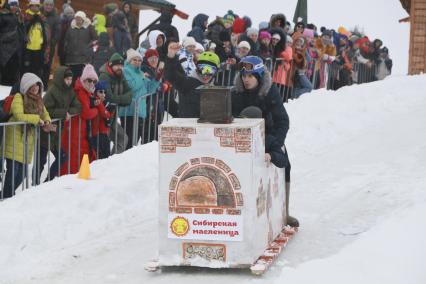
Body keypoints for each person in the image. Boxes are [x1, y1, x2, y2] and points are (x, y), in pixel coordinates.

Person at [231, 56, 298, 227]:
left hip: (269, 137)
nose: (246, 79)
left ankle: (285, 212)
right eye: (244, 76)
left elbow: (283, 121)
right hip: (241, 137)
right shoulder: (236, 93)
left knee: (285, 165)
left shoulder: (270, 92)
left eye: (250, 76)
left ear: (259, 77)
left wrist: (276, 144)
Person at [0, 73, 51, 199]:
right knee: (13, 172)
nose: (35, 88)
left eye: (37, 85)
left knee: (22, 174)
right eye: (32, 85)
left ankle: (6, 195)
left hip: (27, 140)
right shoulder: (19, 97)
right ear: (26, 86)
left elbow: (45, 114)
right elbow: (19, 115)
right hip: (14, 138)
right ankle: (7, 197)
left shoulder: (39, 100)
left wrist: (47, 122)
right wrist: (37, 119)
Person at [33, 66, 82, 184]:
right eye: (67, 79)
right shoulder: (52, 91)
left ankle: (47, 182)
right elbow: (45, 110)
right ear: (61, 78)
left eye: (71, 79)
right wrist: (63, 113)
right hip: (46, 130)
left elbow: (78, 106)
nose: (69, 82)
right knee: (41, 161)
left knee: (62, 157)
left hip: (57, 132)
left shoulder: (70, 92)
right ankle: (34, 185)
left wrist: (68, 112)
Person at [164, 42, 220, 118]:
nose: (206, 75)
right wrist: (171, 56)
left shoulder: (216, 87)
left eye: (210, 70)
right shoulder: (187, 83)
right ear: (197, 68)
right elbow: (171, 75)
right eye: (202, 69)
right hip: (188, 125)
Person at [121, 49, 160, 148]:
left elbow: (149, 89)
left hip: (140, 111)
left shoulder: (140, 72)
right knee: (129, 141)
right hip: (129, 111)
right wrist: (142, 77)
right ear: (129, 61)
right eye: (135, 60)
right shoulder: (126, 71)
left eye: (139, 60)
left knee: (135, 141)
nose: (138, 62)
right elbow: (131, 86)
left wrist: (157, 79)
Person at [98, 53, 132, 153]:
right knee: (105, 145)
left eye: (121, 66)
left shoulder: (121, 76)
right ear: (111, 65)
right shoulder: (104, 76)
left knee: (123, 139)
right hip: (103, 117)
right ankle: (108, 164)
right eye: (117, 65)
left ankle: (113, 161)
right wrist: (121, 99)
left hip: (112, 116)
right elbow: (109, 98)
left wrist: (118, 99)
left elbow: (130, 94)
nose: (119, 68)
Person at [63, 11, 97, 80]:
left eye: (80, 19)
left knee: (82, 76)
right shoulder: (71, 28)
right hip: (72, 57)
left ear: (83, 19)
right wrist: (67, 48)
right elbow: (66, 40)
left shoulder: (89, 27)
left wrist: (88, 48)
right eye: (76, 18)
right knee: (73, 76)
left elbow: (95, 40)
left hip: (84, 58)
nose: (78, 20)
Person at [22, 0, 49, 81]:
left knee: (37, 69)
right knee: (26, 69)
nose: (35, 7)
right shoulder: (26, 16)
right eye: (33, 6)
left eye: (36, 6)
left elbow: (46, 32)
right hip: (27, 48)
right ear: (30, 6)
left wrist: (45, 45)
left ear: (39, 7)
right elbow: (22, 30)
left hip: (39, 49)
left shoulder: (42, 17)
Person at [0, 0, 22, 86]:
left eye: (16, 5)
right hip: (5, 51)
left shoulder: (18, 16)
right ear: (8, 5)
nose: (14, 7)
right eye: (12, 5)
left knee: (14, 74)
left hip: (16, 50)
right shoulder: (2, 16)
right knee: (6, 74)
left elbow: (22, 31)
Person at [41, 0, 61, 86]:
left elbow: (57, 33)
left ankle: (44, 85)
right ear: (43, 5)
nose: (48, 6)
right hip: (37, 45)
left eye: (50, 5)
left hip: (49, 47)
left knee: (46, 66)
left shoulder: (56, 17)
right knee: (37, 65)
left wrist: (51, 43)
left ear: (53, 6)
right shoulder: (39, 14)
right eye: (47, 4)